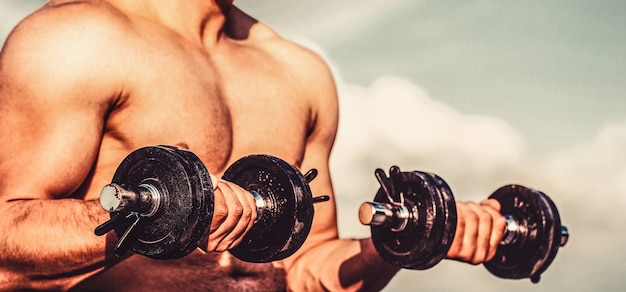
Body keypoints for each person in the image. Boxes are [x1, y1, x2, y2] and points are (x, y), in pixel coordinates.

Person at [0, 0, 507, 290]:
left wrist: (401, 244)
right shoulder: (76, 39)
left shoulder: (298, 72)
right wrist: (171, 215)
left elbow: (305, 267)